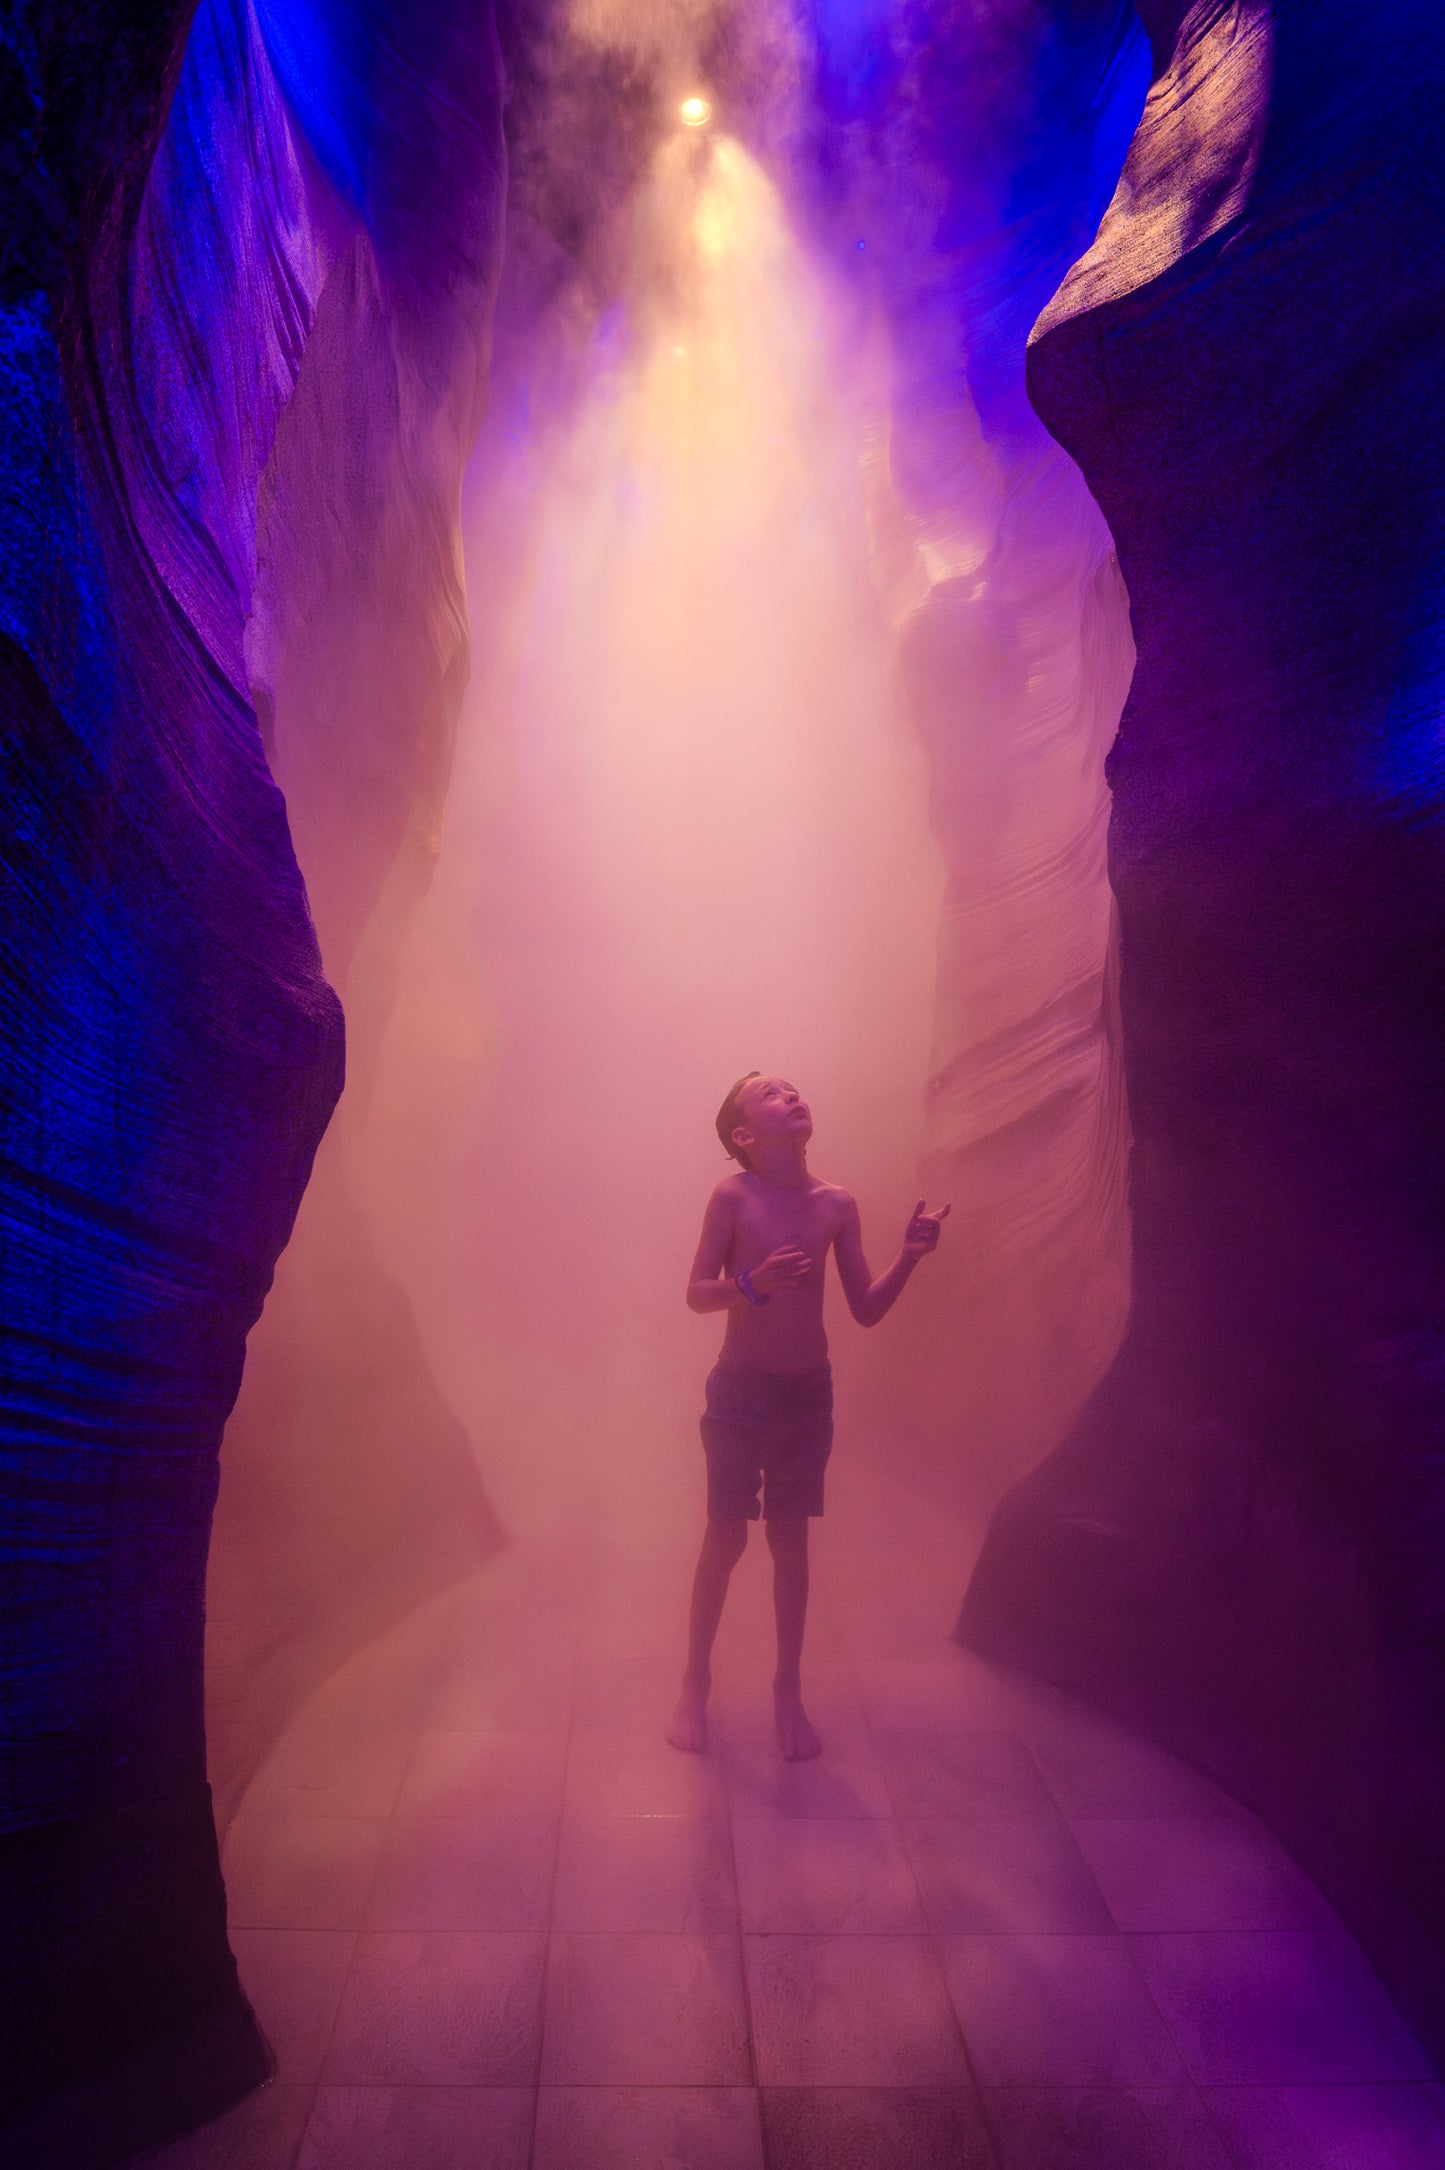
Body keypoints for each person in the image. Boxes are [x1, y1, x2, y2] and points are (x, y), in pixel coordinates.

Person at [668, 1071, 949, 1759]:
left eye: (793, 1088)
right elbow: (695, 1296)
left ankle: (786, 1694)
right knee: (726, 1537)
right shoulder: (731, 1197)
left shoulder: (835, 1204)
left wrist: (908, 1258)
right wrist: (749, 1285)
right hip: (738, 1393)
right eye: (772, 1093)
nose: (791, 1095)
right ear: (744, 1134)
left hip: (804, 1395)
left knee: (788, 1542)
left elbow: (865, 1309)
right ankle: (693, 1685)